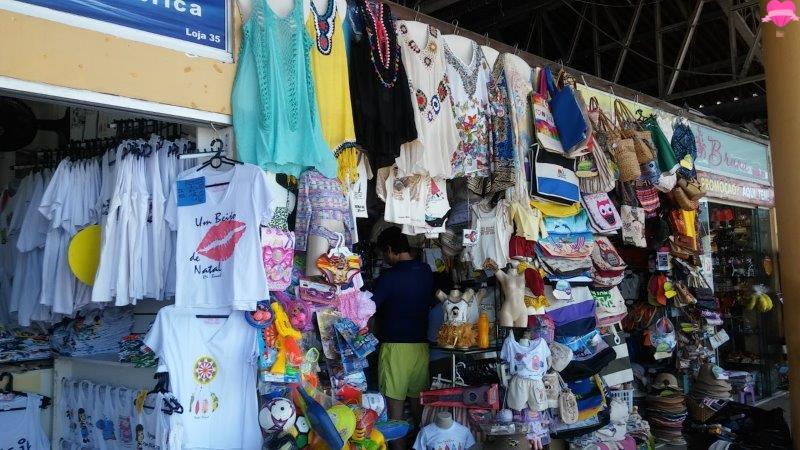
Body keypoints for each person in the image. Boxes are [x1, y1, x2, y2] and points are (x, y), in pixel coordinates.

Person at [373, 226, 434, 449]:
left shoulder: (389, 277)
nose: (385, 258)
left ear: (390, 250)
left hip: (395, 348)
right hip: (421, 347)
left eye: (384, 253)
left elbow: (368, 307)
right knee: (419, 409)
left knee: (395, 415)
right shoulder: (426, 271)